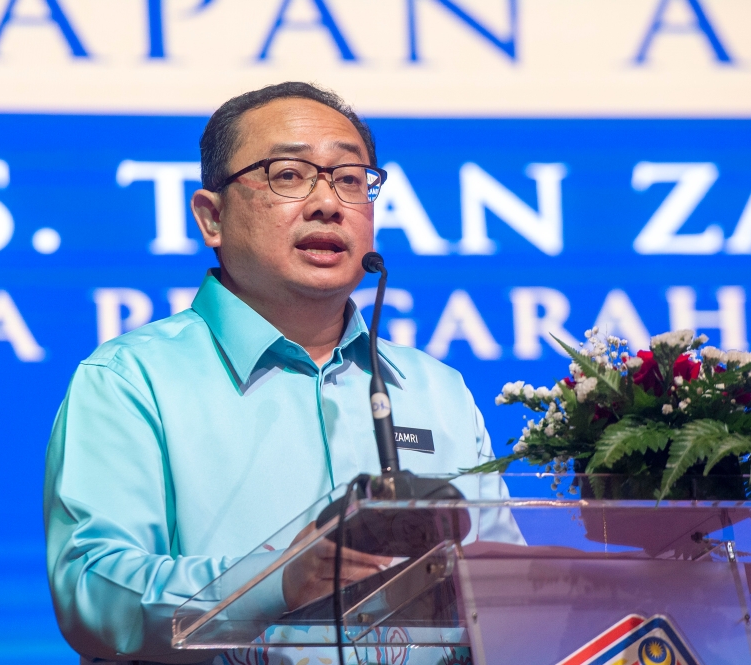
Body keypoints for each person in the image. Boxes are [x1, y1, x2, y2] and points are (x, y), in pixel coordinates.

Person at [43, 82, 523, 665]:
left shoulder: (436, 391)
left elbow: (505, 596)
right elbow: (93, 594)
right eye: (289, 175)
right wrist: (275, 581)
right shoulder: (131, 380)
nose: (328, 203)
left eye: (349, 178)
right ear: (211, 217)